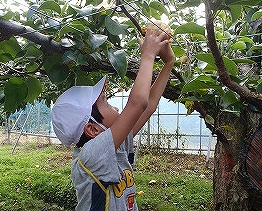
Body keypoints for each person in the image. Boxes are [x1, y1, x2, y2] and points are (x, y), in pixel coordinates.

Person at [52, 23, 175, 211]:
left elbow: (147, 106)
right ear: (92, 129)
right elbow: (138, 104)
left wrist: (168, 63)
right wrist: (148, 56)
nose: (115, 106)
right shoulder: (91, 154)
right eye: (106, 102)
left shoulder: (114, 145)